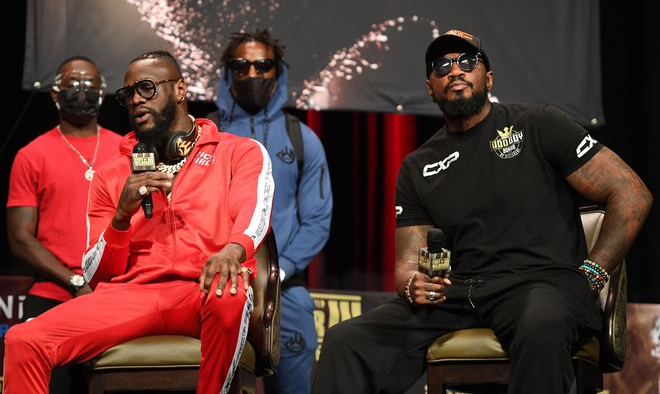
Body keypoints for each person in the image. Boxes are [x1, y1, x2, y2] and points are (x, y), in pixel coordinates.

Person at [311, 29, 653, 394]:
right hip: (459, 295)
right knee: (344, 341)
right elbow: (408, 261)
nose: (455, 71)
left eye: (468, 61)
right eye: (442, 65)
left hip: (540, 284)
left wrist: (594, 271)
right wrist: (414, 283)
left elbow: (631, 193)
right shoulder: (418, 166)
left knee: (541, 323)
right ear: (430, 87)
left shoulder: (538, 125)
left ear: (487, 78)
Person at [3, 50, 275, 394]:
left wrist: (232, 252)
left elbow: (255, 213)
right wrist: (120, 217)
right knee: (23, 339)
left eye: (146, 88)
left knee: (229, 288)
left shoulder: (238, 152)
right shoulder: (112, 174)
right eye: (127, 94)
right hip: (131, 296)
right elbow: (94, 273)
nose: (134, 100)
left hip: (204, 289)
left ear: (179, 90)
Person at [208, 29, 333, 394]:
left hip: (284, 290)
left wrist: (275, 274)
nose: (252, 74)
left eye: (263, 65)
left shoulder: (302, 138)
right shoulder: (205, 136)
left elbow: (317, 219)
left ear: (277, 72)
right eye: (241, 65)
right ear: (228, 74)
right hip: (216, 288)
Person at [6, 55, 122, 393]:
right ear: (55, 94)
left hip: (112, 294)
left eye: (91, 84)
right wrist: (74, 280)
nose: (83, 90)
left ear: (102, 93)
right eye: (74, 83)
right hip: (52, 292)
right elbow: (20, 239)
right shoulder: (31, 155)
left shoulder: (125, 149)